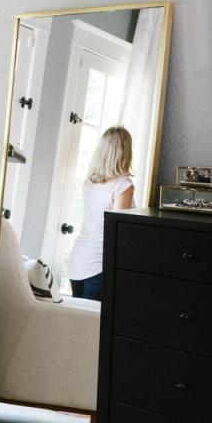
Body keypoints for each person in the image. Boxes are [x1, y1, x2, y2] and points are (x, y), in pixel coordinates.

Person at [66, 126, 135, 302]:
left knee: (77, 320)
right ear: (125, 151)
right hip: (98, 263)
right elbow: (119, 230)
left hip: (78, 260)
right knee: (93, 324)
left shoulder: (90, 182)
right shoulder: (123, 185)